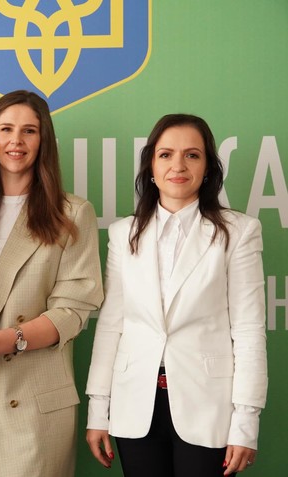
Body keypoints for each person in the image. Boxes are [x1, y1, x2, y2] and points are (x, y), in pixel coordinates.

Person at [85, 114, 268, 477]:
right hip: (135, 406)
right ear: (151, 166)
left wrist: (246, 421)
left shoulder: (240, 232)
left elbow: (249, 330)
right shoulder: (123, 234)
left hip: (209, 407)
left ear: (208, 168)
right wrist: (97, 411)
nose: (178, 165)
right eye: (166, 154)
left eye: (192, 155)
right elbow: (111, 326)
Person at [0, 90, 104, 477]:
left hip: (29, 403)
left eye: (29, 131)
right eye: (6, 129)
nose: (16, 141)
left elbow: (72, 311)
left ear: (43, 141)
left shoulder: (72, 213)